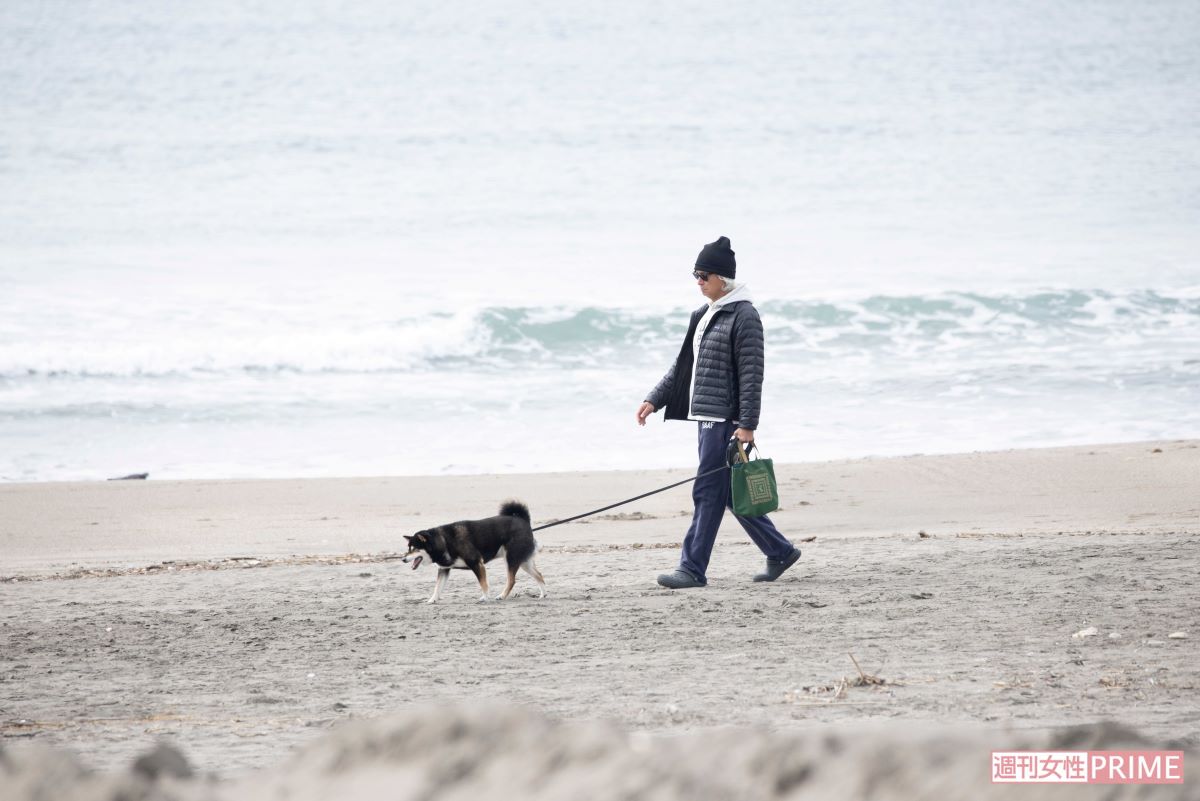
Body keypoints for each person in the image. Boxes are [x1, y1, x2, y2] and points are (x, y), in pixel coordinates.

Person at [636, 236, 801, 589]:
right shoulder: (703, 315)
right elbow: (684, 368)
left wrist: (747, 425)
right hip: (704, 417)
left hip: (725, 421)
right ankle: (780, 550)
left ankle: (692, 569)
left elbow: (752, 374)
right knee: (725, 493)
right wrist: (655, 399)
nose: (697, 281)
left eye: (703, 275)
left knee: (707, 492)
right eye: (694, 274)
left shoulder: (745, 316)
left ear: (722, 279)